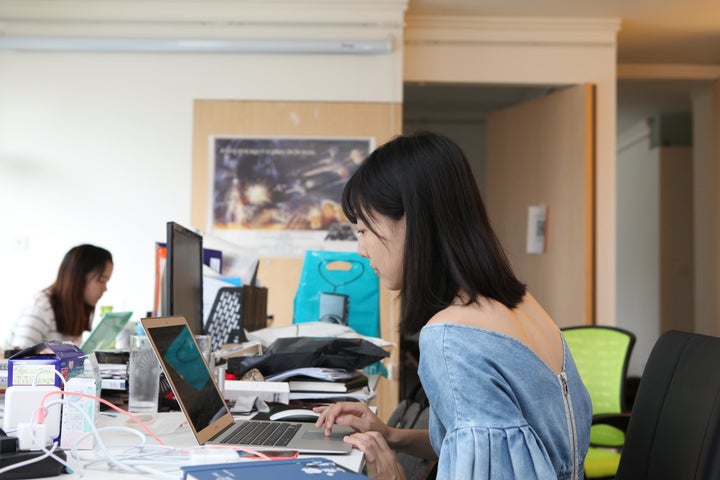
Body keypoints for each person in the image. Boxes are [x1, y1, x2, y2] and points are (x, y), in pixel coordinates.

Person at [314, 131, 592, 480]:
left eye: (364, 230)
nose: (362, 249)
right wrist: (392, 436)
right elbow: (497, 449)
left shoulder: (451, 337)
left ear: (411, 222)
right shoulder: (524, 307)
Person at [6, 244, 113, 349]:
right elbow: (17, 358)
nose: (105, 288)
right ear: (78, 278)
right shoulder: (41, 306)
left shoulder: (75, 310)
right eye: (102, 280)